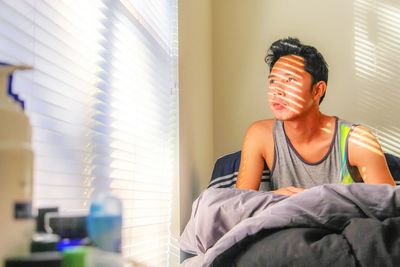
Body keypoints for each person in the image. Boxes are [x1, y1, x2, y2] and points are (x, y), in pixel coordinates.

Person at [235, 37, 396, 195]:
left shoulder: (357, 140)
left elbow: (390, 207)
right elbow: (238, 206)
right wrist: (274, 197)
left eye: (290, 80)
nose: (277, 91)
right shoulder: (261, 135)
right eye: (273, 81)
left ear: (317, 90)